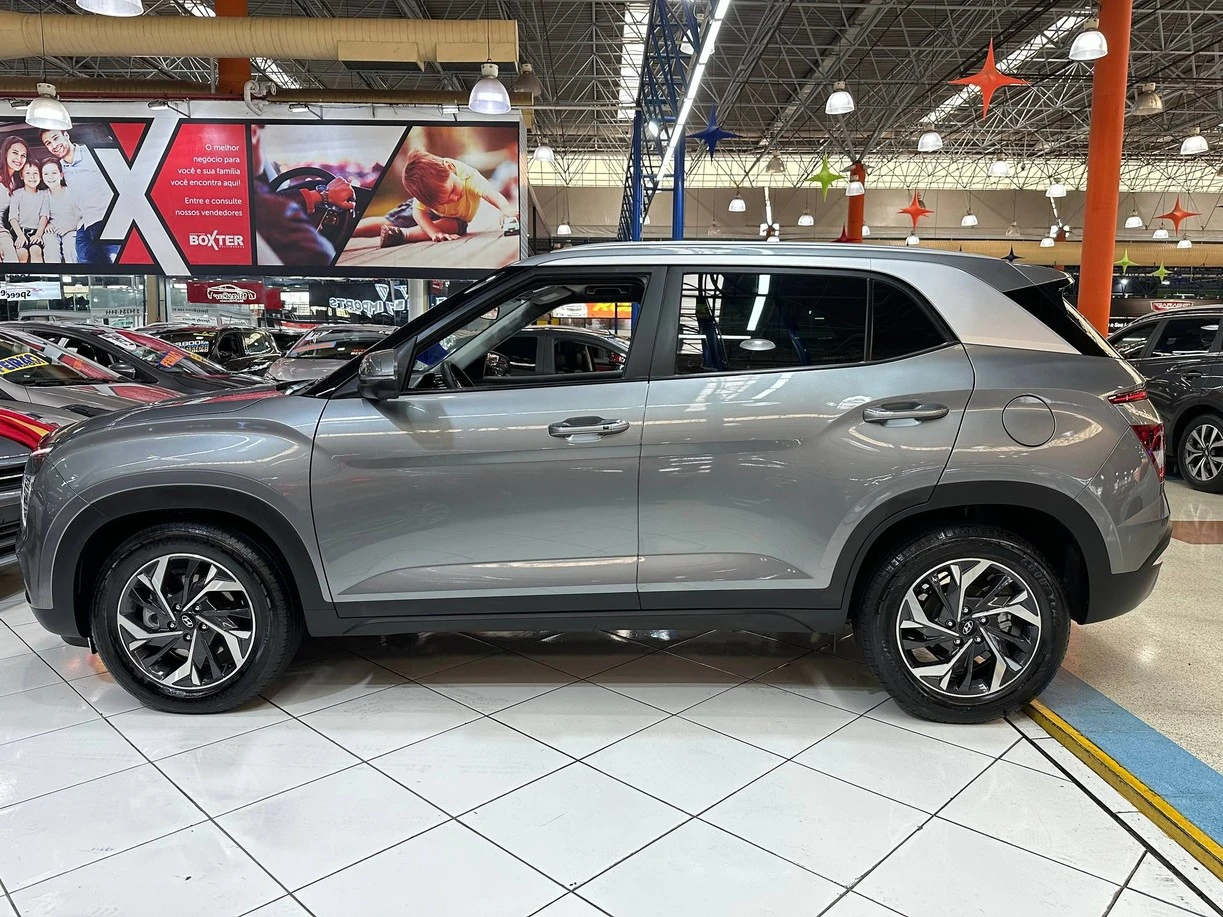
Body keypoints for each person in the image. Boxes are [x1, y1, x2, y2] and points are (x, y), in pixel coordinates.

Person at [354, 148, 517, 247]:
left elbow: (489, 193)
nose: (454, 198)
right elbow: (418, 212)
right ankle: (349, 230)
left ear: (450, 168)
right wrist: (433, 231)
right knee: (389, 221)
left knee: (456, 226)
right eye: (445, 200)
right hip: (424, 211)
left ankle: (402, 235)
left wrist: (505, 208)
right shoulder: (427, 194)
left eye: (452, 190)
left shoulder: (469, 176)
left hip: (454, 219)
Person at [249, 124, 340, 267]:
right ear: (253, 133)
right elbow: (324, 257)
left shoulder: (229, 202)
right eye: (261, 128)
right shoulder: (272, 212)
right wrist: (324, 195)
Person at [39, 128, 118, 264]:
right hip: (85, 226)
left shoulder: (93, 154)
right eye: (48, 143)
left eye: (56, 138)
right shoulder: (60, 167)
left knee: (118, 267)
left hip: (107, 221)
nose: (54, 145)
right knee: (85, 270)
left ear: (66, 135)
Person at [9, 160, 49, 264]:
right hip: (19, 231)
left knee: (35, 251)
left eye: (35, 173)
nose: (32, 176)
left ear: (40, 176)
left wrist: (38, 235)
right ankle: (21, 274)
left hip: (36, 231)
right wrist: (20, 235)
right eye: (27, 173)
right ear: (21, 176)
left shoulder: (44, 195)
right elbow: (13, 218)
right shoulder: (17, 194)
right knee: (22, 253)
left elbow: (44, 216)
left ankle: (39, 274)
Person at [41, 159, 80, 264]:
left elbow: (81, 216)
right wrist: (46, 225)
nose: (50, 177)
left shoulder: (70, 192)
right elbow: (41, 215)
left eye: (54, 173)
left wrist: (70, 227)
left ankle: (74, 271)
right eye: (46, 174)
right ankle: (53, 271)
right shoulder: (44, 195)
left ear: (61, 175)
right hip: (53, 229)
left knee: (70, 244)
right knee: (49, 241)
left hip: (71, 228)